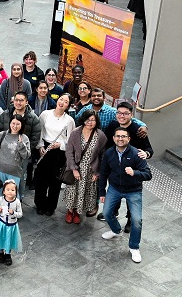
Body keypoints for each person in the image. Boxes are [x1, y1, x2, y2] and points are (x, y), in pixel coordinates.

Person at [100, 127, 152, 263]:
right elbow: (104, 173)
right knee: (106, 213)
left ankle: (134, 247)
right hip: (115, 188)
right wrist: (101, 192)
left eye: (123, 136)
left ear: (128, 139)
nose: (120, 139)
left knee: (137, 220)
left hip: (133, 190)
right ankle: (116, 230)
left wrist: (135, 173)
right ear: (114, 138)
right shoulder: (109, 153)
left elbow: (148, 174)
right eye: (118, 136)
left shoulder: (136, 154)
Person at [103, 102, 154, 230]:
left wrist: (146, 153)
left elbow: (149, 149)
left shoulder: (138, 130)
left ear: (131, 114)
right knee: (114, 189)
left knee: (133, 196)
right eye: (119, 113)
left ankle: (131, 220)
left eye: (125, 113)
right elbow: (109, 144)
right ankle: (113, 212)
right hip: (115, 166)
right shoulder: (113, 125)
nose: (122, 116)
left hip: (132, 169)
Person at [34, 93, 76, 216]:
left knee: (55, 181)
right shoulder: (45, 114)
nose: (62, 102)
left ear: (68, 106)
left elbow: (71, 140)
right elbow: (39, 131)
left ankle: (51, 206)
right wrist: (40, 145)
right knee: (41, 179)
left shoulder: (69, 120)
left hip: (59, 153)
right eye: (61, 99)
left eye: (66, 101)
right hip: (45, 148)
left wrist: (60, 145)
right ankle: (39, 203)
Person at [64, 110, 108, 223]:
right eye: (88, 119)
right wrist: (73, 168)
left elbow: (103, 156)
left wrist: (97, 172)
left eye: (92, 120)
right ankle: (70, 210)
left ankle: (78, 212)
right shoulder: (75, 133)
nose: (90, 122)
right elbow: (69, 151)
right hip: (76, 168)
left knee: (85, 192)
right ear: (83, 120)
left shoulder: (101, 135)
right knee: (72, 190)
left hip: (90, 170)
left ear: (96, 121)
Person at [0, 114, 32, 193]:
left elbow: (26, 156)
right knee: (1, 195)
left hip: (15, 172)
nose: (15, 126)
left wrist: (21, 145)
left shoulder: (24, 138)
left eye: (18, 124)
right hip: (0, 170)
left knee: (12, 195)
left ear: (22, 125)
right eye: (13, 123)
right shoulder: (2, 135)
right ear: (9, 124)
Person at [76, 88, 148, 134]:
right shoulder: (85, 110)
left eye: (99, 96)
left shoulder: (111, 111)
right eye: (93, 96)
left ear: (104, 98)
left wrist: (143, 125)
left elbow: (128, 118)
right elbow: (75, 120)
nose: (96, 98)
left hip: (104, 144)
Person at [0, 180, 23, 266]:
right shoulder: (0, 200)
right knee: (1, 238)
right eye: (8, 189)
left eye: (12, 190)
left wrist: (13, 213)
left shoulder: (17, 202)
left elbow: (20, 214)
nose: (10, 192)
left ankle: (8, 254)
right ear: (3, 191)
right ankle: (0, 253)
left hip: (11, 226)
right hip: (1, 224)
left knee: (9, 239)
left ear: (16, 192)